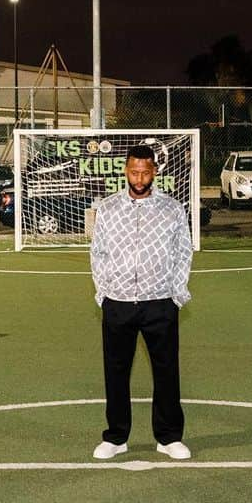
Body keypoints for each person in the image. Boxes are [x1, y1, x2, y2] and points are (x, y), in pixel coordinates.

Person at [90, 143, 194, 460]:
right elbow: (98, 254)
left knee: (166, 371)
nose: (139, 178)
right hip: (118, 303)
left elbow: (183, 253)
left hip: (160, 302)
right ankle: (116, 437)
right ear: (126, 171)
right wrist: (104, 294)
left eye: (145, 172)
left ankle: (168, 437)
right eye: (134, 171)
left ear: (154, 172)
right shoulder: (107, 209)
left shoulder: (173, 209)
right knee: (116, 371)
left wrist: (176, 295)